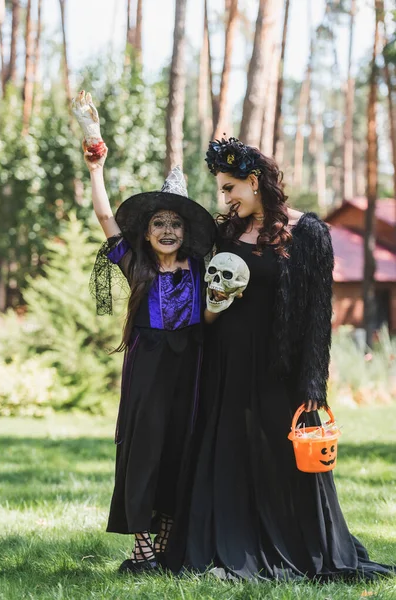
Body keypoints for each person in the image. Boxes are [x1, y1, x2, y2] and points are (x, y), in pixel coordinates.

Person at [167, 137, 394, 581]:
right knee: (227, 451)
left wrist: (313, 387)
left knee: (280, 456)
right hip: (226, 363)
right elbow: (203, 291)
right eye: (223, 190)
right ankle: (227, 545)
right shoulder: (227, 232)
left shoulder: (309, 232)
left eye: (231, 187)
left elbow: (316, 316)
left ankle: (295, 547)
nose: (227, 198)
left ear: (254, 182)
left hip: (279, 369)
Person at [73, 91, 216, 573]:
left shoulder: (201, 267)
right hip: (149, 367)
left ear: (186, 232)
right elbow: (105, 219)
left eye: (176, 222)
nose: (169, 229)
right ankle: (142, 547)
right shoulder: (135, 266)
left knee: (182, 444)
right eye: (160, 223)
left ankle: (170, 542)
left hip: (192, 367)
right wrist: (96, 162)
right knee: (145, 447)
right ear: (148, 231)